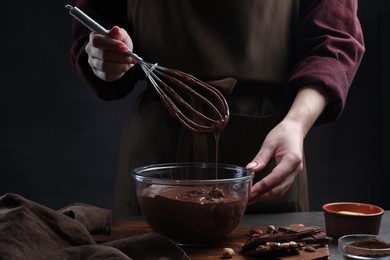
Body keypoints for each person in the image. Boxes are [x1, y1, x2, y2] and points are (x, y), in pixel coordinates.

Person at [70, 0, 365, 218]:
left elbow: (332, 46)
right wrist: (103, 55)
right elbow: (94, 25)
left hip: (265, 152)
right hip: (161, 148)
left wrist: (296, 124)